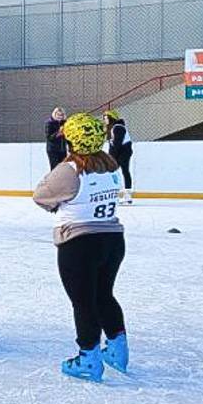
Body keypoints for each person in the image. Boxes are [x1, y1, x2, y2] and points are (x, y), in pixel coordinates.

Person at [32, 112, 129, 383]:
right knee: (104, 295)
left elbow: (40, 196)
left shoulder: (69, 170)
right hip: (112, 240)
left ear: (72, 141)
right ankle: (118, 350)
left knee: (83, 301)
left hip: (79, 243)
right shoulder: (111, 167)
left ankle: (88, 358)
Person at [104, 109, 134, 205]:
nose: (105, 120)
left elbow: (117, 143)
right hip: (120, 152)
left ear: (111, 118)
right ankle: (115, 194)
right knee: (114, 173)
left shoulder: (118, 127)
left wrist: (111, 157)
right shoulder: (112, 128)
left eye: (106, 118)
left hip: (123, 152)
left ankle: (127, 196)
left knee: (124, 171)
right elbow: (112, 144)